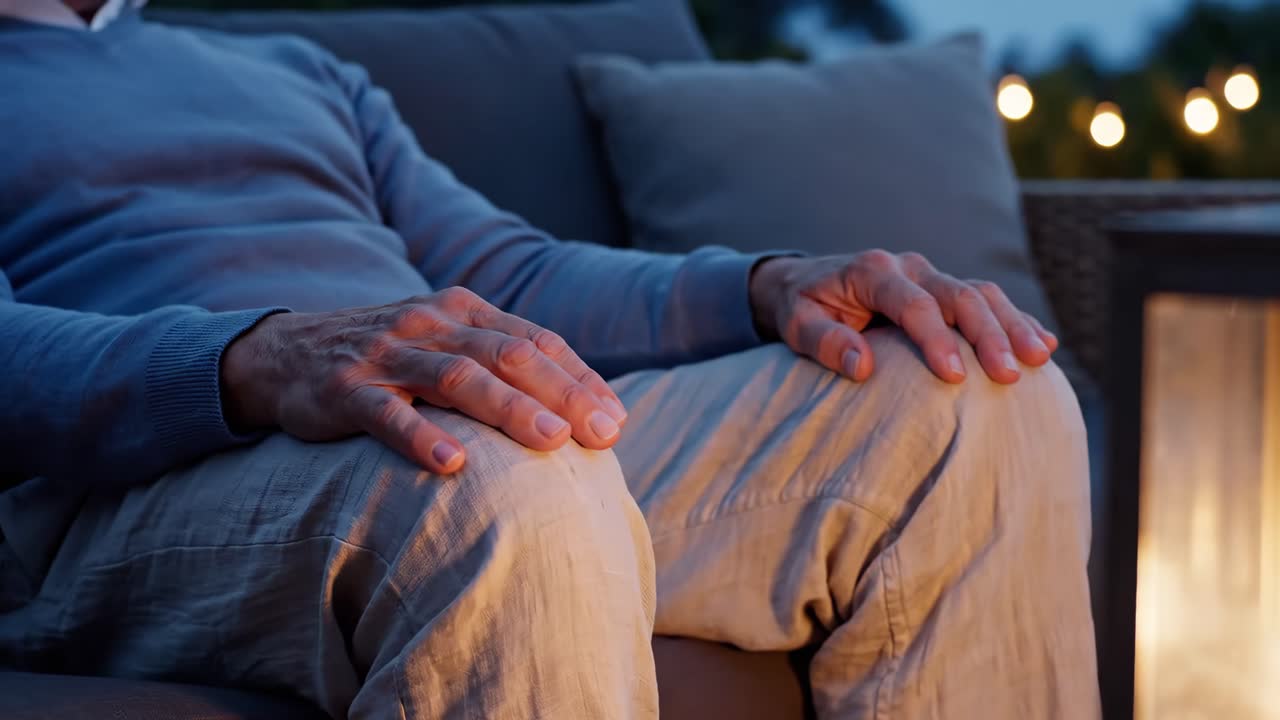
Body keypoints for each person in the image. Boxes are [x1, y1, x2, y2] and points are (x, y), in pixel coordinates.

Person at [0, 1, 1099, 718]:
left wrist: (759, 284)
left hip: (422, 416)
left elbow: (508, 274)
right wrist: (257, 359)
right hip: (133, 481)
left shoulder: (297, 72)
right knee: (484, 474)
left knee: (967, 395)